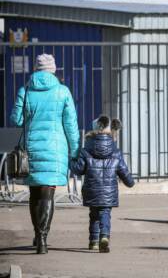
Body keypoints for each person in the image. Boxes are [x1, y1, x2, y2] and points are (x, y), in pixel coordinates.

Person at [10, 54, 80, 254]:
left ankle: (38, 234)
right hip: (56, 149)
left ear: (35, 69)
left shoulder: (26, 90)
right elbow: (71, 126)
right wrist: (74, 151)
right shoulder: (63, 92)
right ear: (53, 70)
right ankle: (43, 238)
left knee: (34, 194)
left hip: (31, 148)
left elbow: (16, 119)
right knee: (47, 193)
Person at [70, 115, 134, 253]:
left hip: (91, 190)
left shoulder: (86, 150)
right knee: (105, 213)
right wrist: (130, 182)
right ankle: (104, 236)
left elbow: (79, 169)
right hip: (108, 192)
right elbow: (123, 170)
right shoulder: (116, 152)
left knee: (93, 215)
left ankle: (93, 241)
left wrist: (71, 161)